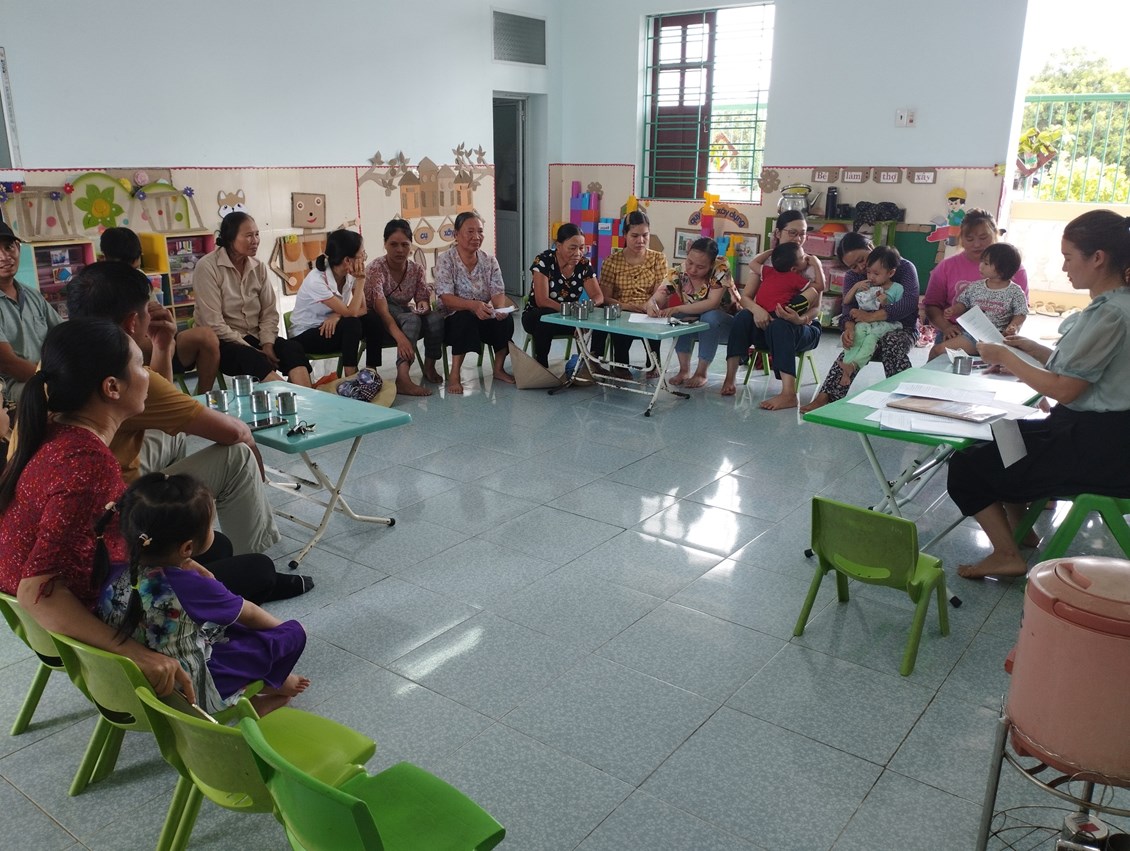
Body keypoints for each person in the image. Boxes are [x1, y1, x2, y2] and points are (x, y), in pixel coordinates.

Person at [65, 262, 311, 601]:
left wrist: (162, 347)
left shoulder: (59, 361)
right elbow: (231, 432)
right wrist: (251, 446)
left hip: (98, 516)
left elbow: (159, 405)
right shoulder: (122, 373)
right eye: (148, 309)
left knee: (176, 434)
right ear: (132, 322)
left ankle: (181, 535)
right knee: (238, 458)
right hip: (116, 535)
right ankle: (251, 565)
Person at [0, 318, 193, 700]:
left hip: (48, 627)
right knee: (237, 569)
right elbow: (37, 589)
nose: (148, 373)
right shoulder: (88, 463)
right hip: (87, 622)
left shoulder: (52, 431)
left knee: (194, 556)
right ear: (112, 387)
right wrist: (137, 654)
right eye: (141, 364)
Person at [947, 210, 1130, 579]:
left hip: (1098, 447)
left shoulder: (1111, 314)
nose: (1064, 268)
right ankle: (1023, 531)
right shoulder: (1114, 306)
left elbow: (1066, 389)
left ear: (1098, 258)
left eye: (1068, 257)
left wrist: (1006, 358)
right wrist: (1031, 350)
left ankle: (1005, 554)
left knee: (965, 466)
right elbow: (1083, 371)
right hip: (1097, 434)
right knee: (1003, 432)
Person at [107, 473, 309, 714]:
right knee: (288, 633)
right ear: (187, 548)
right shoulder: (191, 586)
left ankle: (261, 686)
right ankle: (255, 693)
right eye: (211, 525)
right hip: (191, 693)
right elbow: (251, 613)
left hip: (134, 681)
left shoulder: (112, 567)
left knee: (224, 627)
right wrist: (283, 631)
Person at [800, 232, 921, 414]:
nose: (861, 268)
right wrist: (848, 328)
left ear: (870, 246)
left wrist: (873, 316)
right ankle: (826, 397)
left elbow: (909, 303)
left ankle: (904, 399)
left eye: (862, 259)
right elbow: (847, 307)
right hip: (868, 329)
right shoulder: (853, 277)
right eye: (853, 266)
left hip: (902, 328)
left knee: (891, 343)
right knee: (852, 345)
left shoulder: (903, 267)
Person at [194, 212, 313, 387]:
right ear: (230, 238)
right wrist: (254, 349)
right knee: (251, 358)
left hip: (256, 336)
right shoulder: (207, 267)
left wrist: (267, 344)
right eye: (249, 235)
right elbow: (214, 324)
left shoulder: (258, 267)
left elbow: (269, 312)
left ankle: (309, 398)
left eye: (257, 234)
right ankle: (292, 396)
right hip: (223, 342)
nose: (255, 240)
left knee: (292, 349)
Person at [100, 226, 221, 393]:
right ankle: (162, 397)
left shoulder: (140, 279)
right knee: (139, 346)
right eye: (124, 268)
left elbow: (158, 318)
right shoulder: (98, 286)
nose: (131, 274)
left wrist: (165, 330)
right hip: (128, 347)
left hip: (156, 341)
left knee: (206, 336)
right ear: (105, 259)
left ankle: (202, 395)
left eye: (134, 268)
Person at [721, 241, 821, 409]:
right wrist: (757, 310)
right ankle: (730, 378)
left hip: (802, 327)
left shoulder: (810, 267)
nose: (798, 238)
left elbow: (816, 306)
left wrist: (799, 319)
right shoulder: (768, 268)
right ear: (778, 235)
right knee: (742, 317)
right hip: (768, 325)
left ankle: (789, 394)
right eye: (792, 233)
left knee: (780, 326)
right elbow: (745, 298)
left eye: (802, 233)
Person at [434, 211, 515, 395]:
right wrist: (472, 305)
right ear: (456, 235)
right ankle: (455, 374)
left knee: (505, 320)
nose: (476, 237)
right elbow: (446, 298)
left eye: (480, 231)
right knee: (464, 318)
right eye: (470, 232)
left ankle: (498, 369)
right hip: (453, 319)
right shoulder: (446, 260)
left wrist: (499, 309)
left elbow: (498, 292)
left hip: (483, 314)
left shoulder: (489, 260)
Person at [923, 208, 1029, 349]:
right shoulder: (946, 267)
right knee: (939, 354)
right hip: (955, 332)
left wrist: (1012, 330)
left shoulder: (1014, 269)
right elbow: (931, 305)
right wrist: (947, 327)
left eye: (983, 238)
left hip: (998, 336)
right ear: (961, 239)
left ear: (995, 235)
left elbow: (1020, 311)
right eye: (970, 239)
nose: (977, 244)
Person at [364, 219, 444, 395]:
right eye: (393, 244)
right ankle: (403, 377)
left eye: (405, 244)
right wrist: (400, 338)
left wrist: (423, 305)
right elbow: (381, 310)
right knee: (412, 319)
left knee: (435, 318)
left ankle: (429, 366)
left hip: (403, 314)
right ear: (385, 244)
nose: (399, 250)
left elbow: (422, 298)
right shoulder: (376, 269)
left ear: (411, 245)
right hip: (379, 320)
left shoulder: (416, 269)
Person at [290, 229, 379, 379]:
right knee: (352, 324)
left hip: (334, 328)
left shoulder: (350, 274)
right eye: (362, 255)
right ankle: (352, 378)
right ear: (347, 260)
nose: (364, 259)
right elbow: (351, 313)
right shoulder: (317, 280)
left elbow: (362, 309)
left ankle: (371, 372)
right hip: (307, 334)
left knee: (372, 319)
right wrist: (361, 280)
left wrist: (337, 316)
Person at [590, 210, 669, 380]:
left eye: (645, 235)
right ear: (624, 235)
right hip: (622, 309)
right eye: (634, 236)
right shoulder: (612, 261)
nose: (641, 240)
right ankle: (620, 365)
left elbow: (661, 292)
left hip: (648, 308)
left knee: (655, 319)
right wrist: (627, 306)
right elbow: (605, 298)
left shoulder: (658, 259)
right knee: (620, 323)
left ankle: (653, 362)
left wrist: (649, 305)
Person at [647, 237, 729, 388]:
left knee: (709, 317)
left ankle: (701, 372)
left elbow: (712, 303)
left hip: (725, 324)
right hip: (697, 321)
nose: (692, 270)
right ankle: (684, 370)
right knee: (678, 318)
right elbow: (659, 296)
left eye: (700, 267)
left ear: (711, 264)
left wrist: (678, 308)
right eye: (690, 262)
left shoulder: (721, 269)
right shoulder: (678, 272)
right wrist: (652, 304)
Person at [522, 223, 604, 367]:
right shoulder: (544, 260)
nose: (578, 253)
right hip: (537, 318)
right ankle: (541, 365)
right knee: (544, 315)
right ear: (558, 246)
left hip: (569, 319)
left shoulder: (583, 264)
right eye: (572, 248)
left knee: (602, 314)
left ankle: (593, 363)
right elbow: (542, 300)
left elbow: (598, 296)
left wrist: (585, 309)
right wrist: (572, 312)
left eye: (581, 248)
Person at [928, 242, 1028, 358]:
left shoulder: (1015, 291)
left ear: (1002, 269)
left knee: (938, 350)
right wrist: (954, 310)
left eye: (986, 263)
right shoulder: (976, 286)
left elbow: (1021, 313)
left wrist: (1013, 327)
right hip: (973, 334)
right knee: (938, 350)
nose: (980, 266)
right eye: (982, 261)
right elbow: (963, 303)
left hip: (997, 338)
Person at [0, 222, 62, 404]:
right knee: (62, 393)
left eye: (8, 247)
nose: (4, 256)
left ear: (18, 248)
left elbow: (64, 333)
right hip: (10, 387)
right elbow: (7, 363)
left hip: (44, 375)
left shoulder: (32, 294)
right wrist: (54, 378)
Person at [838, 246, 904, 387]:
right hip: (865, 322)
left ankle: (855, 365)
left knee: (870, 339)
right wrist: (856, 287)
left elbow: (898, 311)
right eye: (868, 272)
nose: (871, 277)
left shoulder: (897, 288)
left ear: (891, 273)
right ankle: (846, 366)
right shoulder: (868, 286)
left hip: (884, 324)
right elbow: (846, 301)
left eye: (876, 273)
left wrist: (885, 302)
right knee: (855, 335)